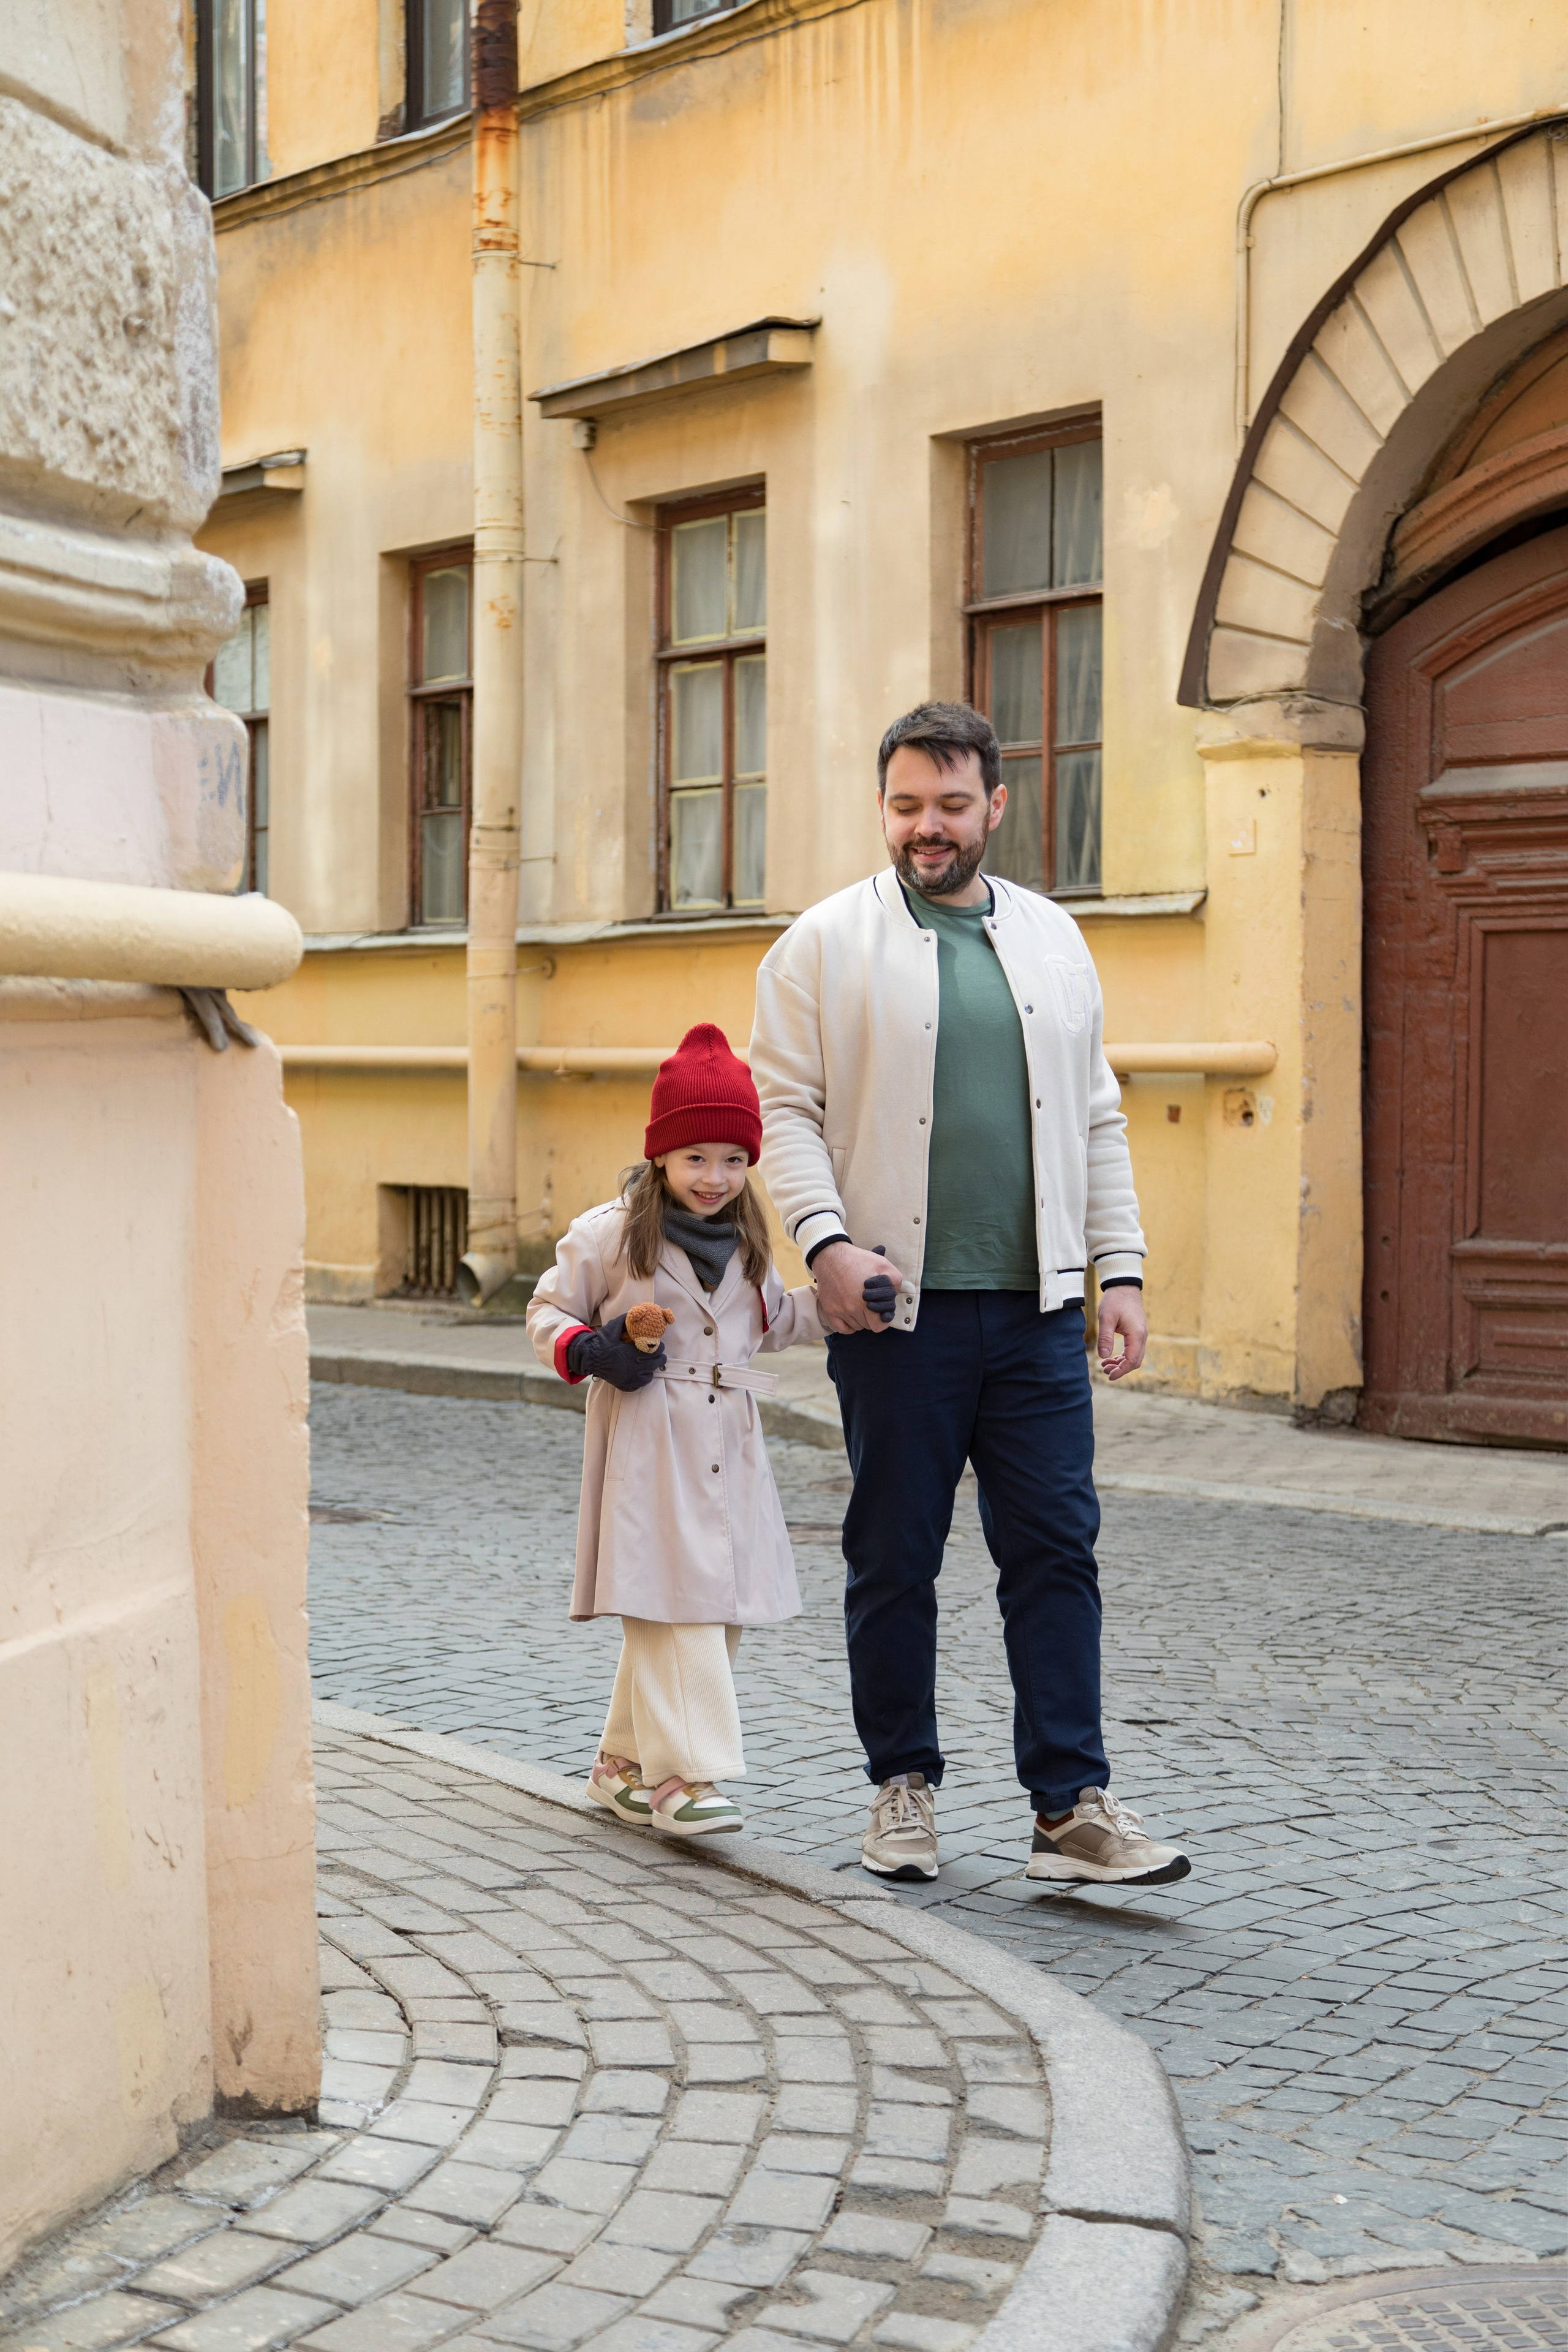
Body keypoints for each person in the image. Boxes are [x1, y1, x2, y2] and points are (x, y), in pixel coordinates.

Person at [750, 700, 1191, 1890]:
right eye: (905, 806)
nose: (925, 828)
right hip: (896, 1311)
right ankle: (900, 1785)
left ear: (994, 804)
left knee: (1055, 1551)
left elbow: (1095, 1113)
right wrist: (826, 1246)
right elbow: (779, 1110)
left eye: (950, 805)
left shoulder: (1052, 939)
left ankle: (1068, 1809)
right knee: (894, 1553)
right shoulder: (822, 944)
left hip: (1038, 1308)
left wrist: (1122, 1267)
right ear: (882, 807)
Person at [527, 1023, 823, 1838]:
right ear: (661, 1154)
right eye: (696, 1158)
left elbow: (772, 1322)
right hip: (650, 1436)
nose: (715, 1178)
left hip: (730, 1436)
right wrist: (590, 1349)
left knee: (712, 1608)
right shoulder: (612, 1233)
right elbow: (546, 1310)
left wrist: (848, 1304)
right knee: (676, 1601)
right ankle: (683, 1780)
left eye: (733, 1160)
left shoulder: (750, 1240)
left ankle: (620, 1765)